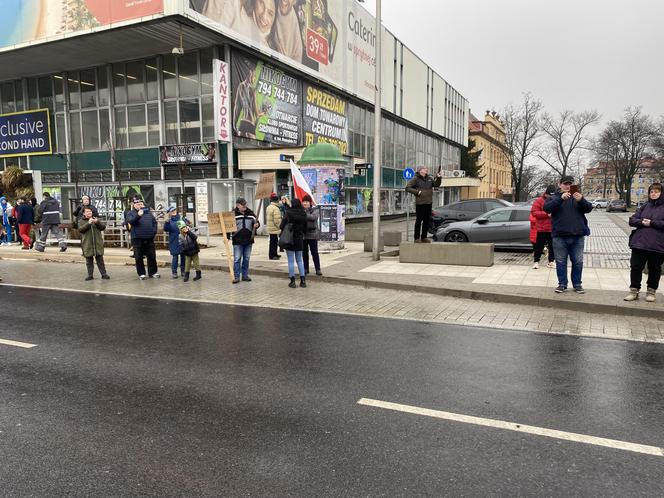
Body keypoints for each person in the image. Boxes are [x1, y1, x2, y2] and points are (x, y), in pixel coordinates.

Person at [544, 176, 593, 294]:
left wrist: (581, 200)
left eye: (570, 184)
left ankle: (577, 284)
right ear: (560, 185)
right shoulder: (554, 197)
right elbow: (547, 209)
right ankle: (562, 284)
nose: (568, 186)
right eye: (565, 184)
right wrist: (560, 199)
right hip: (559, 236)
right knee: (561, 262)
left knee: (578, 261)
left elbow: (589, 208)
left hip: (577, 235)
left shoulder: (577, 197)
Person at [624, 183, 664, 303]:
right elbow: (632, 220)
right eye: (651, 192)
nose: (653, 194)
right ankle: (634, 291)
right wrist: (642, 222)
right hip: (639, 243)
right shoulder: (645, 206)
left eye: (656, 191)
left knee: (654, 269)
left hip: (657, 245)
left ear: (661, 193)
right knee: (636, 267)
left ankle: (651, 291)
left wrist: (652, 223)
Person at [125, 197, 160, 280]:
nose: (139, 205)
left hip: (149, 238)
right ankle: (141, 273)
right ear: (134, 205)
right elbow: (131, 221)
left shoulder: (148, 213)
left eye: (140, 204)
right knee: (138, 257)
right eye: (137, 204)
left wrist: (153, 231)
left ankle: (153, 272)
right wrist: (138, 215)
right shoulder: (130, 213)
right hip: (137, 239)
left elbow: (154, 222)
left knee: (151, 256)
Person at [405, 167, 442, 243]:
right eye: (424, 169)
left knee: (426, 221)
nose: (426, 170)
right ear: (420, 171)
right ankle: (416, 238)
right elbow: (407, 188)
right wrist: (417, 192)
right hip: (420, 203)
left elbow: (436, 185)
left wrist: (439, 177)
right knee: (419, 221)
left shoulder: (430, 178)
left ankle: (424, 237)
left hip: (429, 203)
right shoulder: (415, 179)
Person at [279, 197, 307, 288]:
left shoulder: (288, 213)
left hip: (289, 239)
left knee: (291, 261)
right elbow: (305, 228)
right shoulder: (303, 213)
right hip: (299, 239)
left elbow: (281, 226)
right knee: (300, 260)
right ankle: (303, 281)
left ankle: (292, 281)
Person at [232, 197, 259, 284]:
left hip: (248, 240)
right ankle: (236, 276)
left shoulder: (251, 214)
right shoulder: (233, 215)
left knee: (246, 259)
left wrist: (257, 225)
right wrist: (227, 237)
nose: (244, 206)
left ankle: (245, 275)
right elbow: (227, 226)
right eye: (242, 204)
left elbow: (257, 222)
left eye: (245, 204)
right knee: (237, 259)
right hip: (237, 240)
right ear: (237, 205)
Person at [78, 206, 110, 281]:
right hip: (87, 243)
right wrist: (88, 223)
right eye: (87, 212)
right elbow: (81, 230)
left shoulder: (96, 219)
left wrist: (97, 222)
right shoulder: (81, 221)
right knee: (89, 261)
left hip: (97, 243)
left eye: (90, 211)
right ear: (84, 213)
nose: (89, 213)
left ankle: (104, 274)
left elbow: (103, 227)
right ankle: (90, 275)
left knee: (100, 260)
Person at [530, 185, 556, 269]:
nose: (551, 197)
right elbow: (534, 212)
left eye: (552, 195)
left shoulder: (557, 200)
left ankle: (551, 261)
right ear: (546, 194)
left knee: (552, 246)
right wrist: (546, 214)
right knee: (539, 246)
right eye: (549, 195)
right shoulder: (539, 200)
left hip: (553, 228)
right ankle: (536, 262)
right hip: (542, 228)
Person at [163, 206, 188, 278]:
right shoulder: (169, 221)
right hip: (174, 240)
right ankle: (174, 272)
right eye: (172, 211)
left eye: (174, 210)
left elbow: (187, 226)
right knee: (175, 257)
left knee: (183, 257)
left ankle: (183, 271)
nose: (174, 211)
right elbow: (166, 229)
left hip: (183, 240)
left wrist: (187, 224)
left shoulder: (181, 218)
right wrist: (166, 223)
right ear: (169, 213)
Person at [302, 194, 322, 276]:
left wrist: (304, 214)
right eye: (303, 202)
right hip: (304, 235)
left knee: (314, 253)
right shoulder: (301, 210)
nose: (305, 203)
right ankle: (306, 269)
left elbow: (313, 217)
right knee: (304, 253)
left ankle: (318, 269)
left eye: (306, 202)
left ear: (310, 202)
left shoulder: (315, 209)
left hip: (313, 235)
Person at [266, 192, 282, 260]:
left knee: (273, 242)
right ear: (277, 200)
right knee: (274, 242)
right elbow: (277, 220)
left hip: (270, 227)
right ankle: (272, 255)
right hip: (274, 228)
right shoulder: (275, 208)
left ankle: (274, 254)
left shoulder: (269, 207)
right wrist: (280, 226)